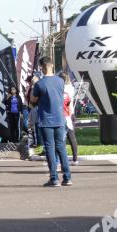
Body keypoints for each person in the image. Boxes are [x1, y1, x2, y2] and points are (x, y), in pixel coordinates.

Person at [30, 57, 71, 187]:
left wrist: (32, 85)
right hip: (60, 118)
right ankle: (67, 177)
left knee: (50, 149)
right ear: (52, 65)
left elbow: (32, 100)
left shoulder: (40, 84)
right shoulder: (60, 81)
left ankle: (54, 179)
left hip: (46, 120)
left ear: (41, 67)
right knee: (61, 148)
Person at [59, 71, 79, 165]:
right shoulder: (71, 88)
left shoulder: (59, 88)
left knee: (60, 138)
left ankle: (61, 160)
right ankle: (75, 159)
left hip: (62, 114)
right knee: (72, 137)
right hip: (70, 114)